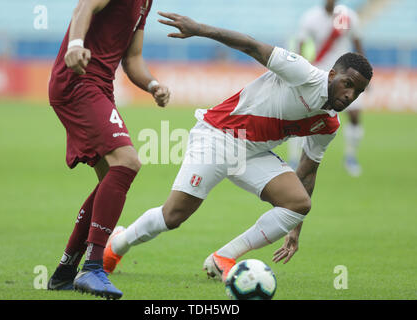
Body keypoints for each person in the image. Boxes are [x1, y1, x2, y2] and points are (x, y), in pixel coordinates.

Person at [103, 12, 372, 282]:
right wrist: (199, 29)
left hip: (252, 154)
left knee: (299, 203)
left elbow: (307, 173)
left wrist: (294, 230)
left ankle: (223, 257)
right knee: (173, 216)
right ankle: (117, 245)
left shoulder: (328, 125)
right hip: (218, 136)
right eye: (347, 84)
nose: (350, 95)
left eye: (357, 92)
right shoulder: (304, 74)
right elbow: (251, 46)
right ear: (333, 74)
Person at [46, 0, 170, 299]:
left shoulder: (146, 2)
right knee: (127, 162)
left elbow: (133, 58)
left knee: (109, 184)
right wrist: (75, 44)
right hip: (78, 81)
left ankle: (65, 271)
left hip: (100, 86)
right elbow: (84, 7)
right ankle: (92, 267)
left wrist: (153, 84)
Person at [288, 0, 366, 176]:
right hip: (322, 73)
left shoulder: (348, 16)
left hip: (348, 75)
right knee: (302, 113)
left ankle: (351, 157)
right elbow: (300, 45)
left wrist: (365, 74)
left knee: (354, 115)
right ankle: (293, 160)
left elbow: (358, 42)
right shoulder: (310, 17)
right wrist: (298, 73)